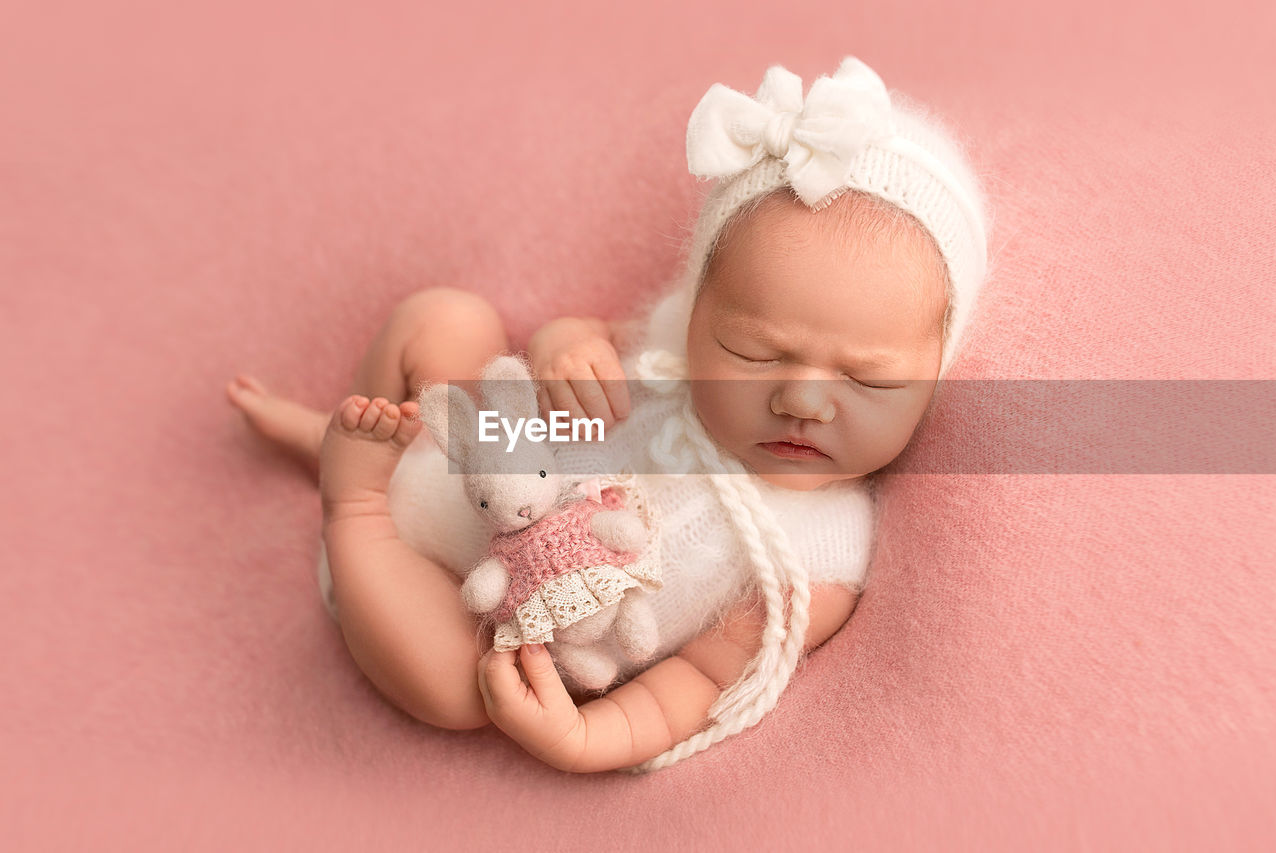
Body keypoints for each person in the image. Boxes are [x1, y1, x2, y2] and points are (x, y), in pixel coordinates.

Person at [226, 55, 990, 774]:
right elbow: (579, 354)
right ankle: (349, 431)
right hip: (469, 443)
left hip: (446, 599)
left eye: (869, 379)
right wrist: (569, 344)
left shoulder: (819, 556)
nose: (803, 399)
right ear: (696, 318)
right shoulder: (667, 363)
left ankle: (353, 504)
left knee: (456, 693)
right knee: (446, 318)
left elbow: (696, 679)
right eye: (754, 353)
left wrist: (591, 736)